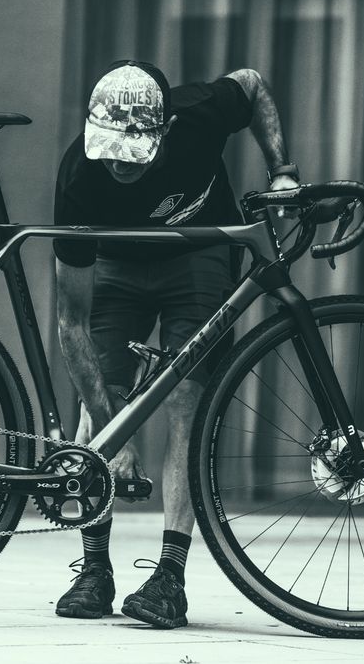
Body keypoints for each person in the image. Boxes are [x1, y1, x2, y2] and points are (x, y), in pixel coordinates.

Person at [53, 60, 299, 629]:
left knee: (188, 402)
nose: (116, 162)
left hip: (198, 254)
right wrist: (115, 434)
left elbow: (255, 83)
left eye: (130, 150)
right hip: (114, 263)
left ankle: (169, 577)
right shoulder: (79, 175)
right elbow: (72, 323)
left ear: (163, 132)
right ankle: (95, 570)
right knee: (103, 402)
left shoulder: (198, 114)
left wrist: (281, 168)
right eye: (107, 148)